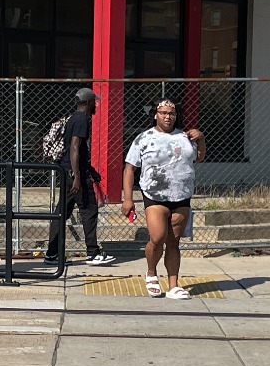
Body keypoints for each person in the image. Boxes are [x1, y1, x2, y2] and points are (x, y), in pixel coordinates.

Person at [122, 98, 205, 299]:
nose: (168, 117)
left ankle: (173, 285)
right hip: (154, 195)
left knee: (174, 242)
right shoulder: (144, 138)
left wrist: (201, 139)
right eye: (164, 113)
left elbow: (199, 157)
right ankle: (151, 272)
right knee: (158, 237)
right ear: (156, 115)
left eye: (172, 113)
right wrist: (128, 198)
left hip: (181, 196)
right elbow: (129, 169)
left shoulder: (185, 137)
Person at [45, 87, 115, 266]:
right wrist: (77, 176)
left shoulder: (73, 118)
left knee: (62, 212)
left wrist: (89, 169)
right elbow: (75, 147)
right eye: (94, 102)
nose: (96, 105)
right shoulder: (83, 119)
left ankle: (52, 254)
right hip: (75, 174)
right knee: (89, 209)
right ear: (88, 102)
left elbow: (75, 149)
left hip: (68, 170)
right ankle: (93, 253)